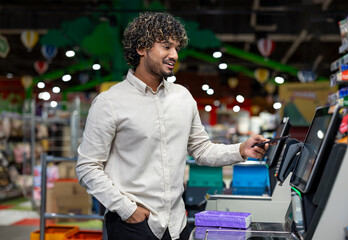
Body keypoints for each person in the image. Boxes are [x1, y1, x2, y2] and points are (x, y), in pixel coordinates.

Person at [76, 12, 269, 240]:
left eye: (177, 48)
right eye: (166, 47)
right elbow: (87, 166)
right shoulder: (110, 102)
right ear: (141, 48)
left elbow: (202, 150)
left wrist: (241, 150)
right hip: (132, 225)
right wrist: (128, 210)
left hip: (176, 225)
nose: (174, 55)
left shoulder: (183, 97)